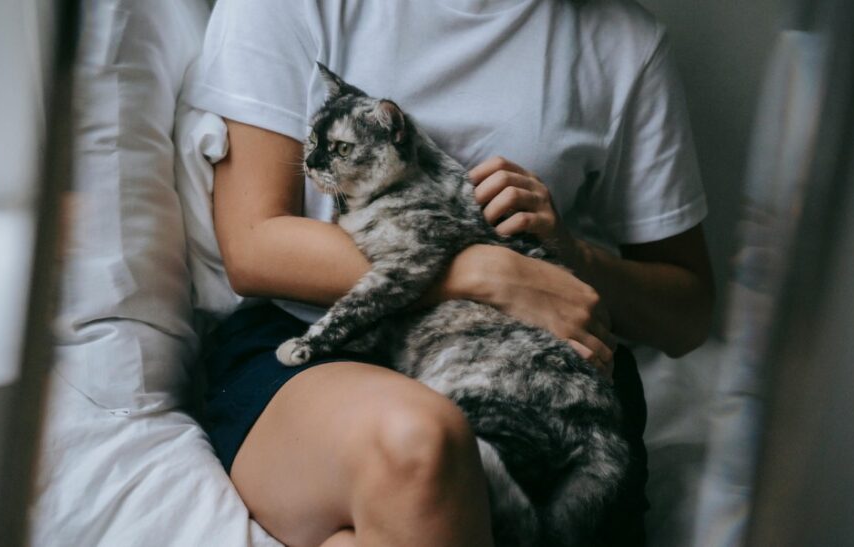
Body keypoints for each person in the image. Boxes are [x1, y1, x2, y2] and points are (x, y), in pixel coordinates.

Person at [184, 0, 715, 545]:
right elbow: (254, 246)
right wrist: (484, 272)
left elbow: (689, 313)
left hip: (533, 374)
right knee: (427, 445)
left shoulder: (625, 44)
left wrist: (568, 256)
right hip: (316, 343)